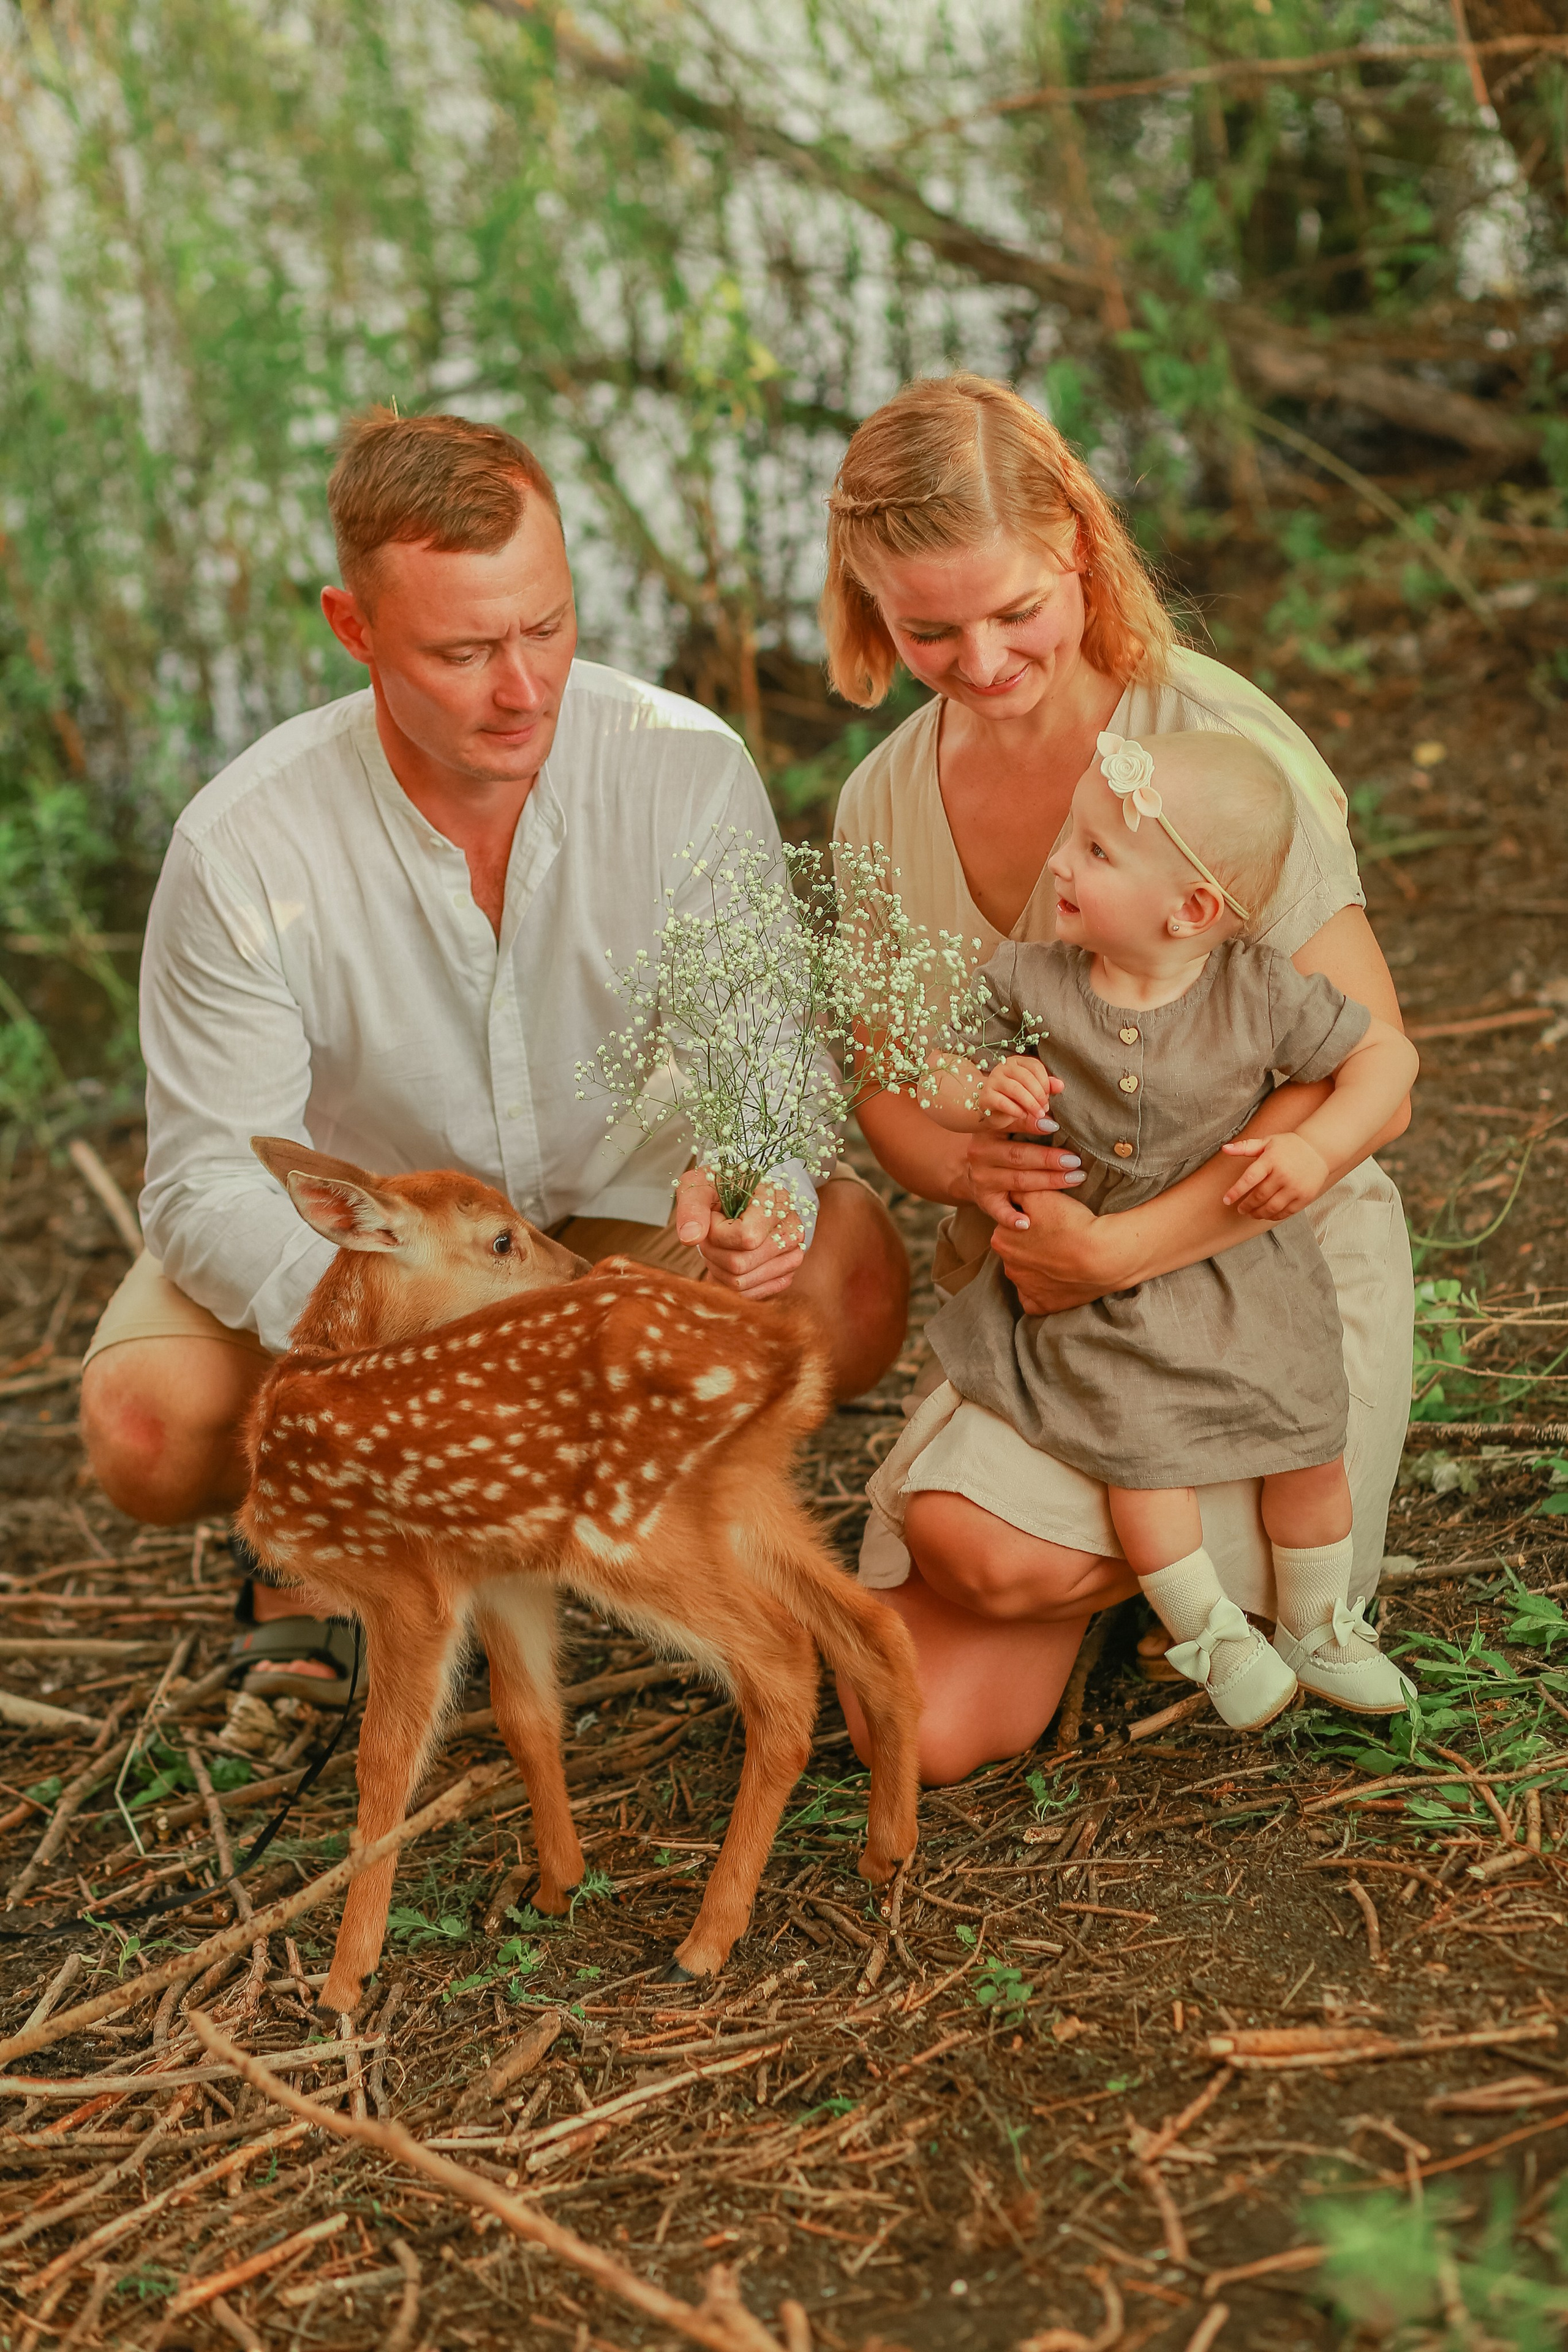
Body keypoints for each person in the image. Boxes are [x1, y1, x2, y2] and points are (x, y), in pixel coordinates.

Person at [81, 408, 908, 1703]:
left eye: (548, 628)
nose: (524, 690)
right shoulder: (241, 843)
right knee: (149, 1423)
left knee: (843, 1289)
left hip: (613, 1221)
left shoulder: (683, 768)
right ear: (351, 630)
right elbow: (204, 1182)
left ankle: (567, 1512)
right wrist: (411, 1341)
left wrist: (759, 1189)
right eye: (463, 652)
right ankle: (329, 1549)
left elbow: (764, 1073)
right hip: (385, 1260)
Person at [826, 373, 1415, 1786]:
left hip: (1249, 1273)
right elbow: (889, 1093)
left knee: (987, 1549)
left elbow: (1369, 1072)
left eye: (1014, 612)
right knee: (911, 1724)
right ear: (868, 605)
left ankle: (1167, 1568)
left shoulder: (1211, 749)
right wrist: (970, 1169)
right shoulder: (879, 804)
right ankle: (1122, 1578)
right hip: (1049, 1300)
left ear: (1075, 549)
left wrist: (1121, 1247)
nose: (979, 659)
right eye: (927, 629)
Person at [924, 729, 1419, 1729]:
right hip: (1097, 1292)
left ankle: (1318, 1625)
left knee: (1307, 1440)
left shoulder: (1256, 991)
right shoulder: (1032, 983)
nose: (1060, 860)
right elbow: (930, 1077)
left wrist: (1317, 1153)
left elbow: (1387, 1065)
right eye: (1073, 834)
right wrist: (981, 1092)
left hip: (1239, 1265)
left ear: (1192, 909)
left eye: (1098, 851)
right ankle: (1209, 1636)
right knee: (1144, 1459)